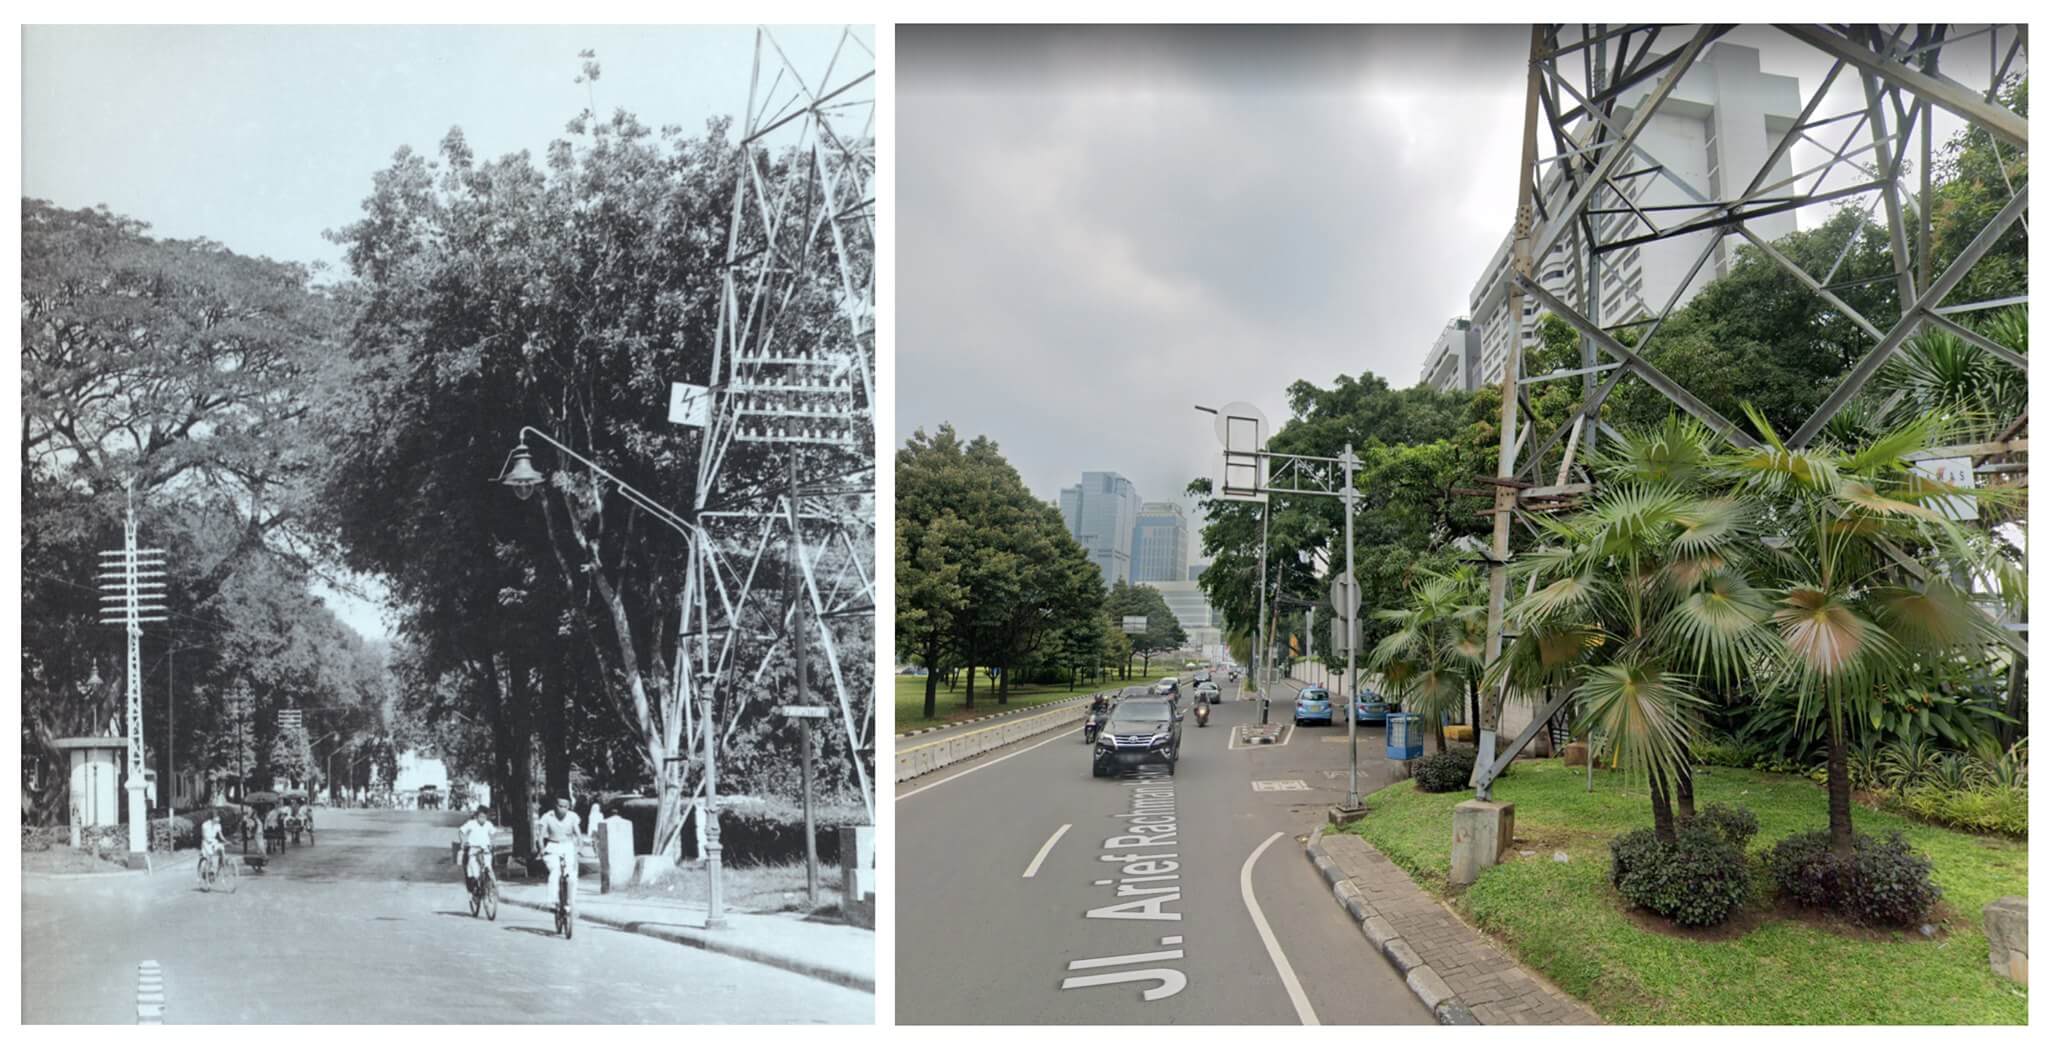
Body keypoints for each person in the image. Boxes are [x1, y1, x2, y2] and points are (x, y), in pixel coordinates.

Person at [535, 796, 583, 914]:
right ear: (555, 806)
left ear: (569, 807)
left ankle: (571, 902)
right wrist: (541, 849)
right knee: (555, 871)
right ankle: (552, 901)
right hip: (553, 846)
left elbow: (579, 836)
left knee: (571, 876)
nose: (562, 809)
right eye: (560, 806)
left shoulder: (572, 817)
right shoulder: (548, 817)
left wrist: (579, 848)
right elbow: (541, 836)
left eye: (565, 807)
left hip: (568, 846)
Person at [456, 805, 495, 894]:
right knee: (474, 870)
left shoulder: (488, 824)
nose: (483, 819)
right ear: (477, 816)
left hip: (485, 849)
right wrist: (462, 842)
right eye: (481, 817)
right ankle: (476, 887)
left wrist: (492, 843)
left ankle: (490, 886)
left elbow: (493, 833)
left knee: (488, 867)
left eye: (485, 817)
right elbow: (461, 831)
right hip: (474, 849)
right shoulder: (471, 823)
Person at [199, 809, 227, 873]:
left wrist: (226, 840)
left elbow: (221, 835)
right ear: (213, 818)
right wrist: (208, 840)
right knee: (210, 856)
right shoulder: (205, 824)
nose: (219, 819)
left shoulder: (218, 825)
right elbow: (204, 835)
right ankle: (207, 871)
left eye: (219, 817)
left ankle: (222, 864)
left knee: (221, 848)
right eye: (217, 817)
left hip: (214, 841)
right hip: (206, 842)